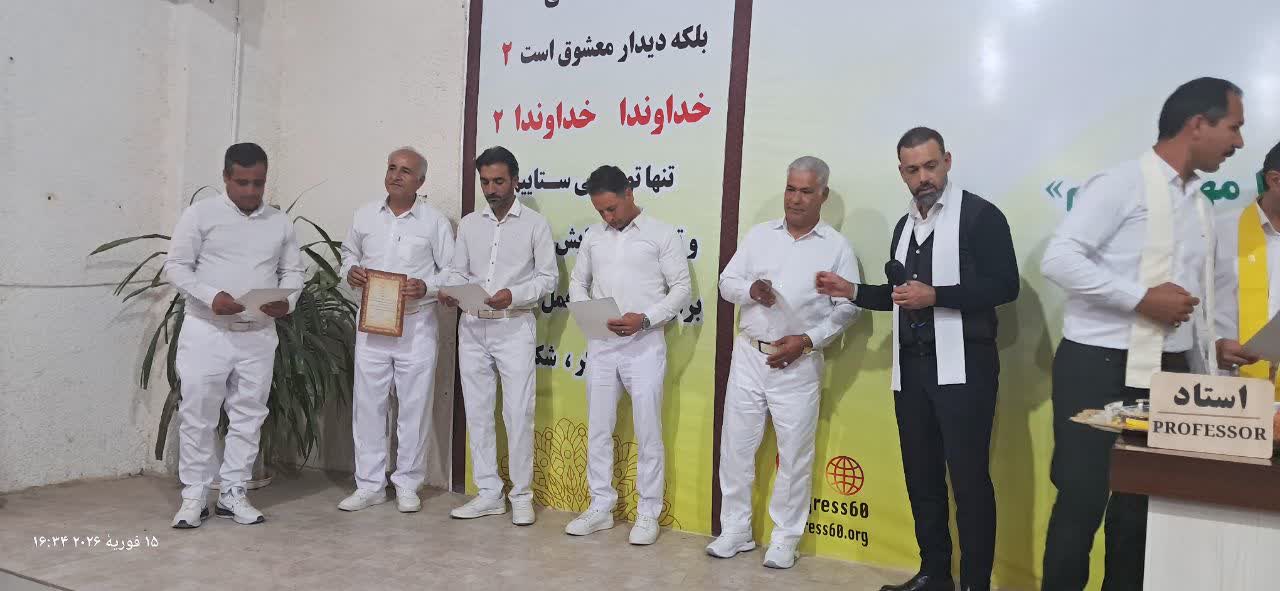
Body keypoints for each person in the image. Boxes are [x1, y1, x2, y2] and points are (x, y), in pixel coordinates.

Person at [1039, 77, 1245, 591]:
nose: (1239, 142)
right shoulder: (1121, 183)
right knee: (1082, 501)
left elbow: (1193, 297)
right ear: (1197, 125)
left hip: (1168, 373)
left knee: (1141, 508)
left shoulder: (1200, 204)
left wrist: (1211, 349)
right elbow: (1059, 259)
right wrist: (1140, 298)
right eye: (1233, 127)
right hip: (1098, 366)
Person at [816, 128, 1019, 590]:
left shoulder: (981, 216)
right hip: (912, 369)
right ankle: (934, 574)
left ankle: (974, 584)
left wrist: (937, 295)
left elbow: (1006, 285)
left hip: (966, 367)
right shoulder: (903, 227)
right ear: (901, 173)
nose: (923, 177)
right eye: (913, 170)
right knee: (922, 477)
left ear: (947, 161)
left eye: (931, 166)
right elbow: (901, 297)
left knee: (969, 482)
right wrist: (851, 290)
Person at [708, 156, 860, 569]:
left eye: (806, 191)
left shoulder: (837, 247)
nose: (795, 198)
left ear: (823, 195)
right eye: (791, 189)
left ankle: (785, 538)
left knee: (793, 455)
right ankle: (735, 530)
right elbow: (726, 282)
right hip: (749, 356)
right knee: (736, 448)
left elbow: (848, 309)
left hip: (798, 363)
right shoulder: (759, 235)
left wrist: (808, 341)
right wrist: (750, 290)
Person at [164, 142, 304, 528]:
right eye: (242, 182)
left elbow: (293, 272)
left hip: (258, 333)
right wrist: (212, 297)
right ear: (226, 177)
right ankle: (194, 496)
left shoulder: (279, 222)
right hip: (207, 330)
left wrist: (287, 302)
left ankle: (233, 493)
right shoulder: (200, 215)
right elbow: (176, 266)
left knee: (249, 414)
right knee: (198, 413)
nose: (250, 191)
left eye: (258, 183)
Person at [562, 165, 692, 545]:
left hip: (645, 345)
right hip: (602, 346)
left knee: (648, 431)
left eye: (612, 208)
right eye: (600, 211)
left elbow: (681, 288)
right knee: (598, 428)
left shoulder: (662, 234)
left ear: (630, 192)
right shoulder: (592, 237)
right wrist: (589, 310)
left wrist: (646, 319)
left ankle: (648, 513)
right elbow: (577, 282)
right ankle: (600, 506)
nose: (608, 217)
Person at [336, 147, 454, 513]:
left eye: (405, 171)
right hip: (372, 325)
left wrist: (427, 287)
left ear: (421, 181)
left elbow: (453, 272)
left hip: (416, 326)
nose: (396, 175)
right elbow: (347, 254)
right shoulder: (364, 215)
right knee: (368, 406)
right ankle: (369, 485)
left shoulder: (434, 222)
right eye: (391, 168)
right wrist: (351, 271)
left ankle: (408, 484)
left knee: (413, 408)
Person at [444, 146, 557, 526]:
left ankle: (521, 495)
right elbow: (458, 271)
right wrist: (451, 290)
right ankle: (489, 493)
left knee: (518, 413)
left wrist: (515, 294)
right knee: (477, 411)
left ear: (515, 181)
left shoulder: (535, 225)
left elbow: (548, 278)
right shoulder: (469, 224)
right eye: (485, 182)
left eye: (498, 181)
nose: (491, 189)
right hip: (473, 325)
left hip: (514, 325)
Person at [1213, 140, 1280, 376]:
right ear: (1275, 181)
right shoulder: (1217, 231)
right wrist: (1213, 345)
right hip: (1228, 384)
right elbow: (1189, 307)